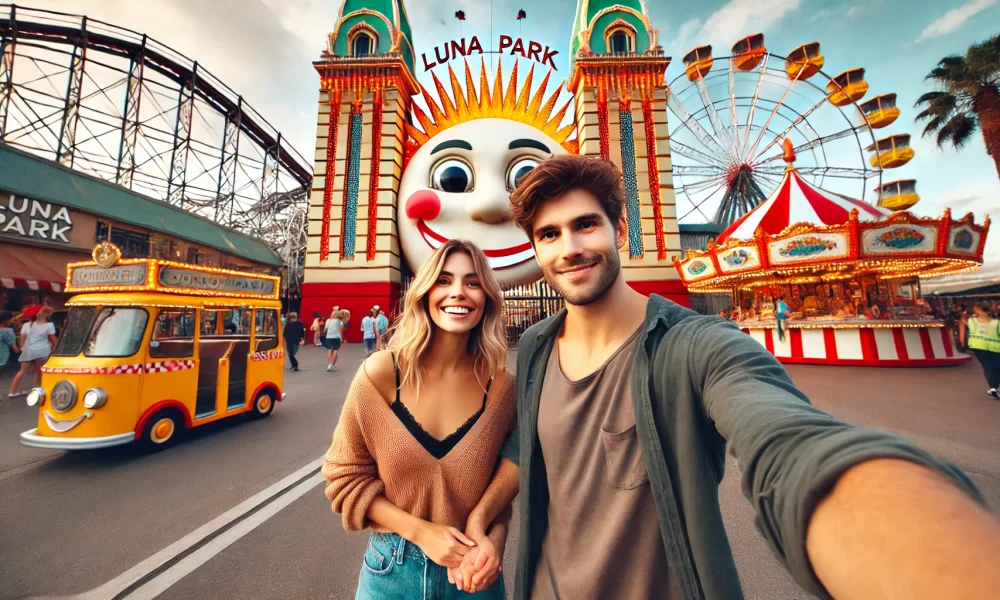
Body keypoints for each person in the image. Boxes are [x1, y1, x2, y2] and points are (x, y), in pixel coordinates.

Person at [460, 155, 999, 600]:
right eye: (549, 234)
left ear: (621, 228)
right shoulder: (533, 346)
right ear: (536, 249)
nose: (569, 248)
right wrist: (484, 521)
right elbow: (524, 448)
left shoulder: (697, 346)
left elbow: (786, 440)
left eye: (585, 224)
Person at [322, 239, 515, 599]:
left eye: (473, 283)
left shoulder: (502, 388)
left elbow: (504, 485)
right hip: (391, 573)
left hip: (473, 576)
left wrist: (496, 542)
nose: (458, 292)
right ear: (424, 292)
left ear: (487, 297)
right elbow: (343, 477)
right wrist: (420, 532)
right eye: (444, 281)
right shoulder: (381, 374)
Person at [9, 305, 57, 398]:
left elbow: (22, 338)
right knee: (38, 372)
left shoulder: (26, 325)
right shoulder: (49, 325)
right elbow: (53, 339)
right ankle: (36, 390)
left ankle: (12, 392)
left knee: (22, 371)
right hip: (41, 351)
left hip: (28, 350)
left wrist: (23, 347)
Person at [960, 302, 1000, 399]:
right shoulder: (997, 322)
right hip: (994, 346)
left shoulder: (972, 320)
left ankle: (993, 388)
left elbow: (963, 323)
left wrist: (962, 342)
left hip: (977, 345)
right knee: (997, 366)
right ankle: (995, 388)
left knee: (987, 366)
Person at [0, 310, 21, 379]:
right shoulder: (7, 331)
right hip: (3, 361)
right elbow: (15, 349)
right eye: (11, 319)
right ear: (6, 320)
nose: (12, 321)